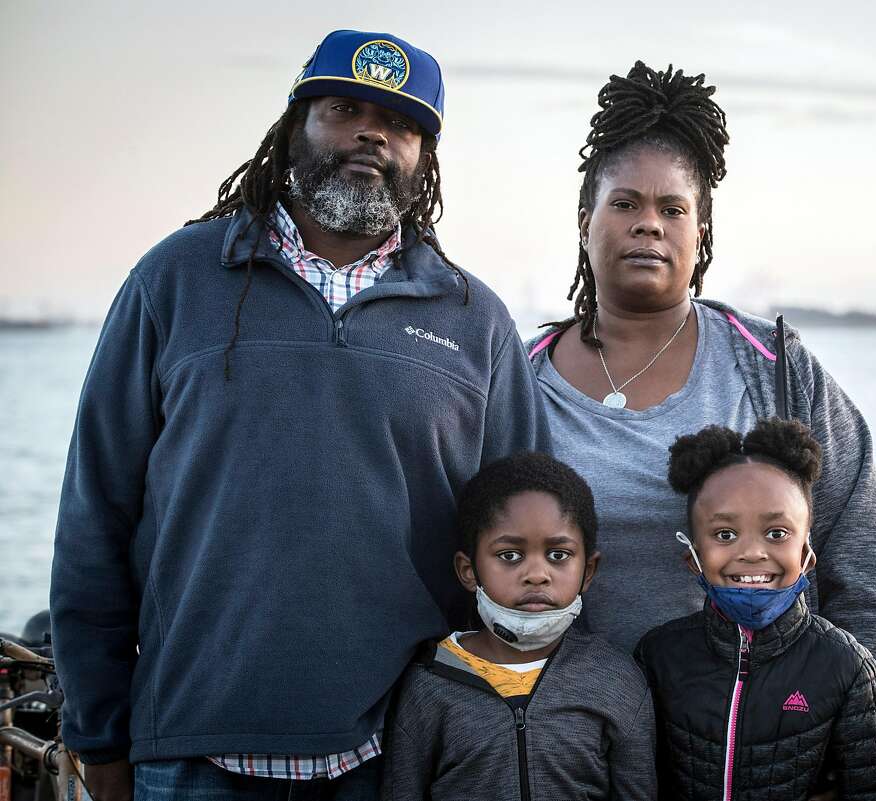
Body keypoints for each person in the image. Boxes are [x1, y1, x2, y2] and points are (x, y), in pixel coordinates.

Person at [49, 29, 547, 801]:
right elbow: (95, 517)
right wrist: (97, 728)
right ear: (294, 127)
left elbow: (526, 539)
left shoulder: (475, 320)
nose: (372, 133)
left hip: (398, 757)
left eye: (402, 123)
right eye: (344, 108)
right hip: (188, 750)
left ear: (428, 158)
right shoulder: (173, 280)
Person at [526, 62, 876, 708]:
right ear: (585, 219)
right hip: (577, 741)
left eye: (672, 208)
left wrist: (864, 739)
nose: (649, 224)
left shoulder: (774, 368)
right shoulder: (519, 380)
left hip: (755, 738)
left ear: (701, 233)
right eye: (625, 204)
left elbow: (861, 573)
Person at [637, 419, 876, 800]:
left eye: (777, 533)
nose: (752, 552)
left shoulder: (847, 668)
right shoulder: (658, 657)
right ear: (693, 556)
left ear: (807, 554)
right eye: (725, 535)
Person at [385, 451, 655, 800]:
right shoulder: (430, 684)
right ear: (469, 571)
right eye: (509, 555)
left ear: (588, 570)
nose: (536, 575)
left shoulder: (616, 679)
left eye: (558, 555)